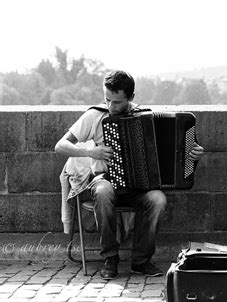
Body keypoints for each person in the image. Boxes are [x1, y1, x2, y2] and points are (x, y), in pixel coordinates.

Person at [55, 70, 204, 279]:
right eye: (107, 99)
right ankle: (110, 258)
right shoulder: (95, 115)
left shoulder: (144, 115)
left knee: (158, 199)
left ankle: (141, 261)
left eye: (116, 102)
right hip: (104, 180)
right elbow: (60, 146)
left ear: (131, 98)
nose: (110, 106)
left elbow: (177, 155)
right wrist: (90, 151)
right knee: (104, 192)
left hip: (138, 187)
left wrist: (193, 155)